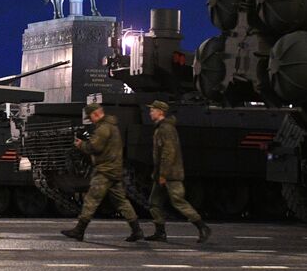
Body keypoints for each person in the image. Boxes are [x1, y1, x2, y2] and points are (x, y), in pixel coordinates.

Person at [61, 104, 142, 242]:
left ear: (96, 114)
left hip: (105, 171)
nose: (91, 120)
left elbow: (95, 147)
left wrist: (81, 145)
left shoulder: (103, 128)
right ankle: (137, 230)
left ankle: (79, 230)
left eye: (91, 117)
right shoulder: (112, 126)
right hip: (114, 170)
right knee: (121, 201)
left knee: (91, 199)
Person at [146, 100, 212, 244]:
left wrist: (163, 174)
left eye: (153, 110)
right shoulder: (161, 128)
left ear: (160, 112)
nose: (150, 112)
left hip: (170, 175)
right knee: (154, 202)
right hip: (162, 174)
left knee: (178, 201)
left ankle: (202, 227)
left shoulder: (166, 129)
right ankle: (160, 232)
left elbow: (168, 153)